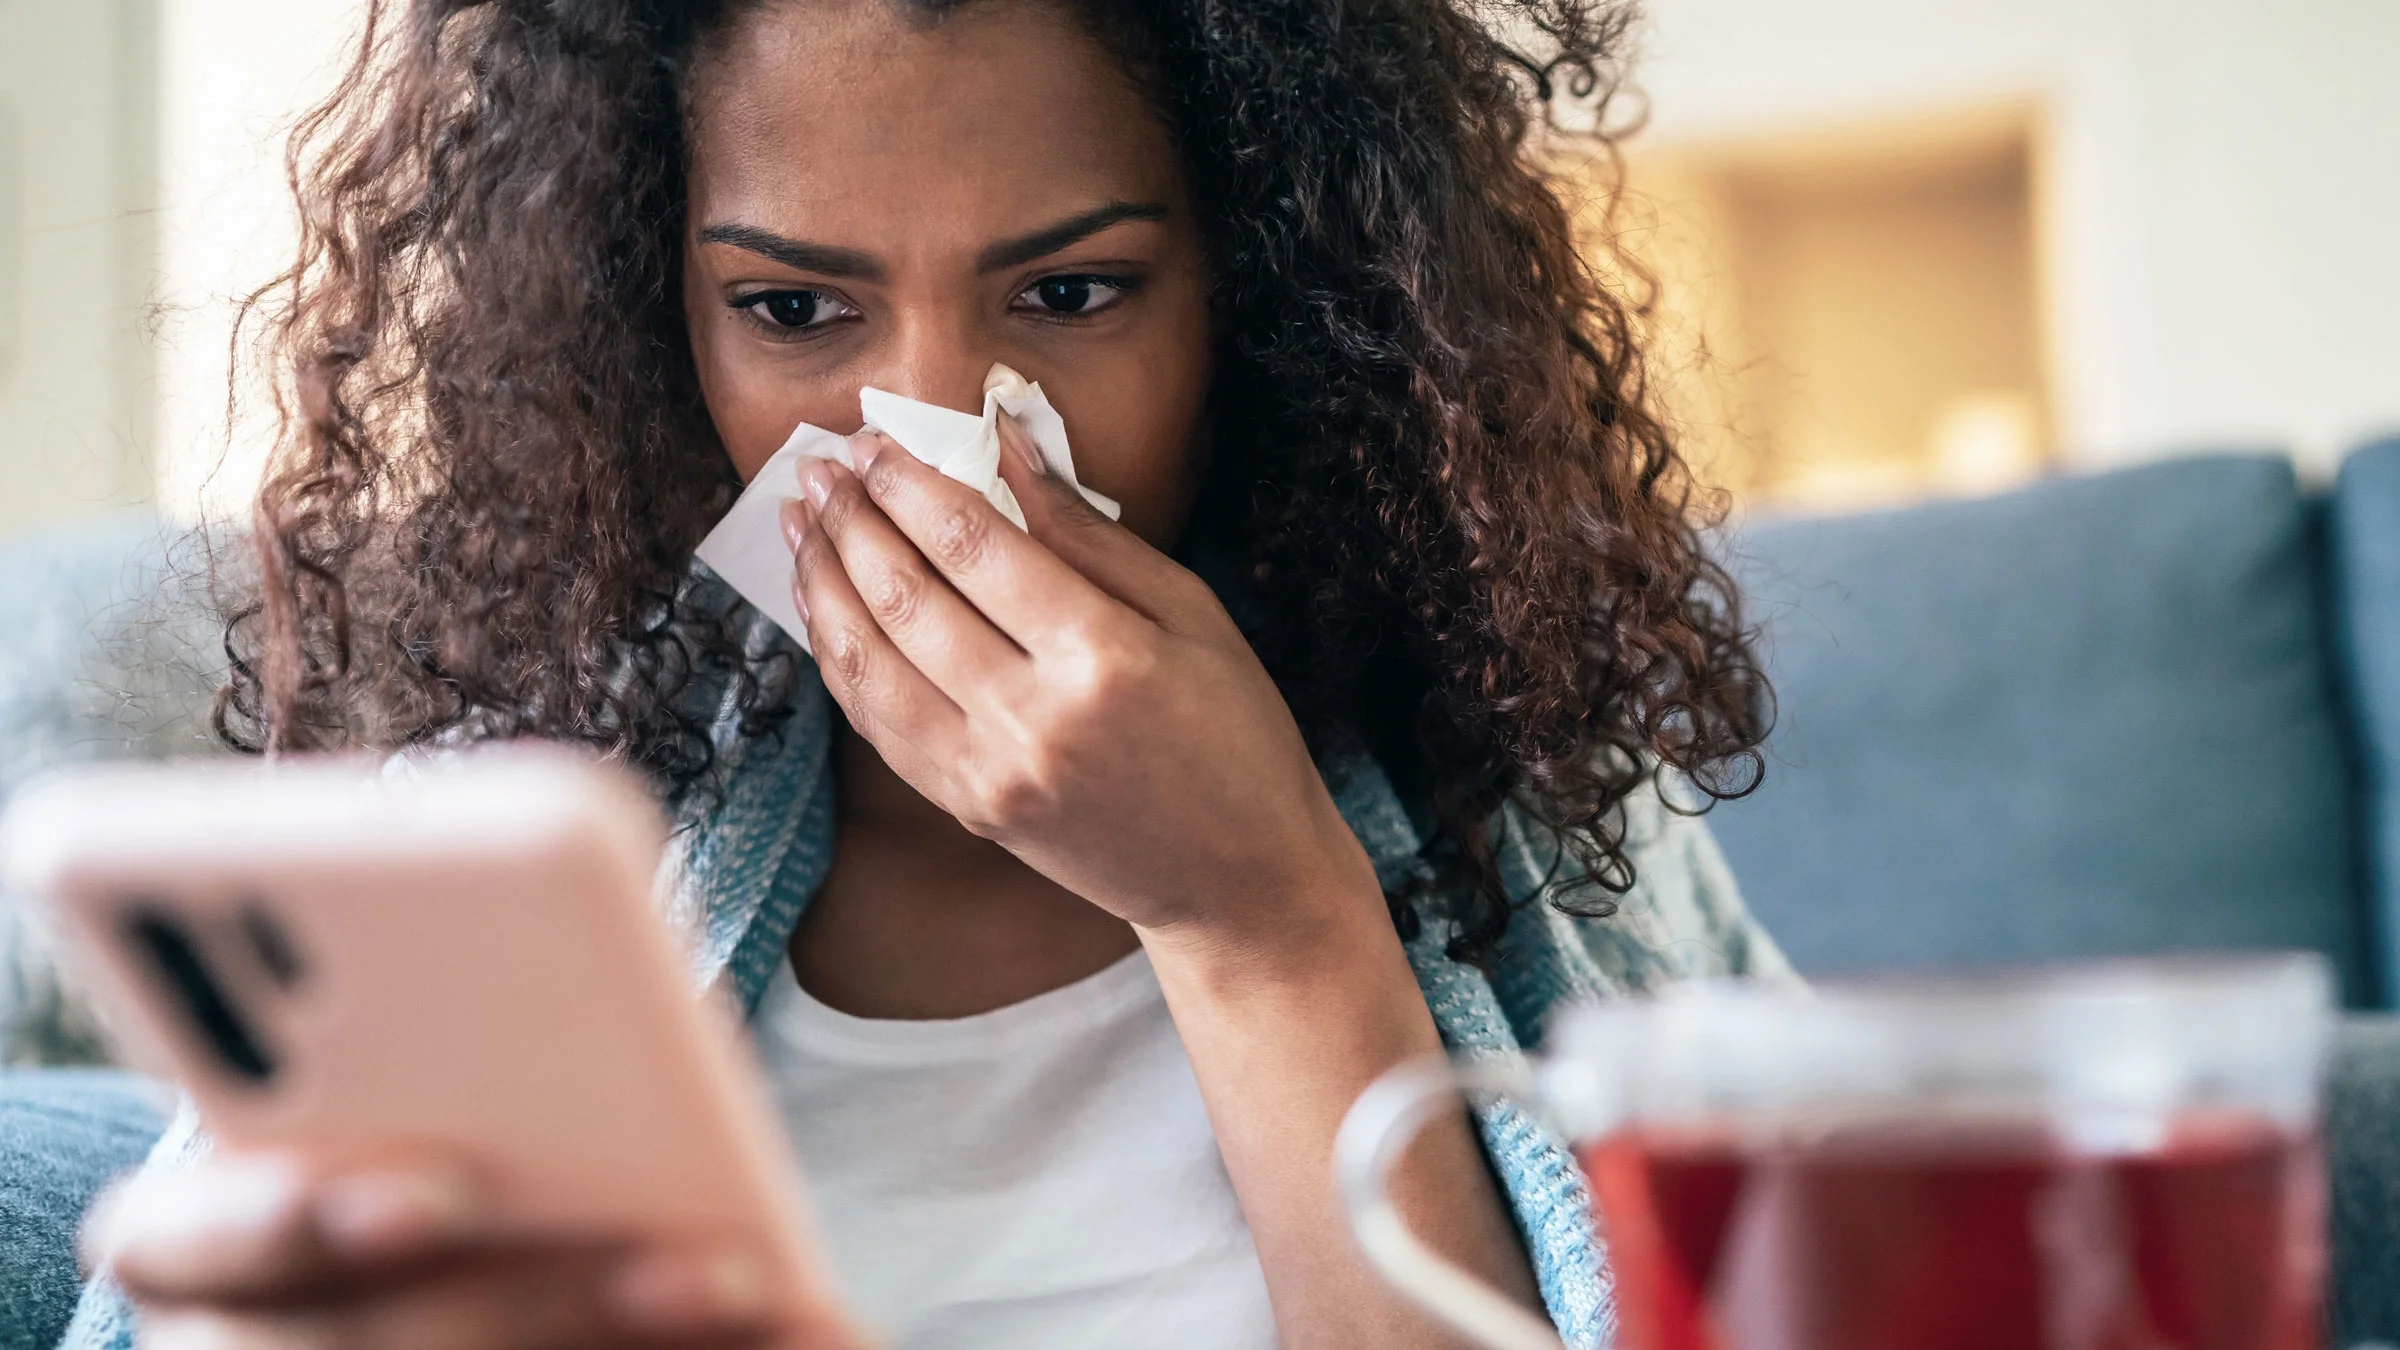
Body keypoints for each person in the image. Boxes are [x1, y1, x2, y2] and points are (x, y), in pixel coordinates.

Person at [66, 0, 1788, 1346]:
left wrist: (1262, 915)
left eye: (1071, 288)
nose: (949, 429)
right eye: (798, 312)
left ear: (1257, 299)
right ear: (652, 322)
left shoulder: (1536, 804)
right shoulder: (507, 845)